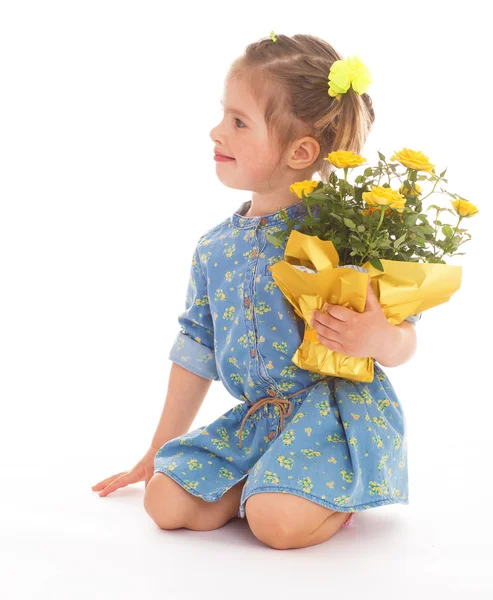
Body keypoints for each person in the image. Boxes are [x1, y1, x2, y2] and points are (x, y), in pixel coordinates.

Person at [92, 33, 422, 550]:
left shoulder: (341, 233)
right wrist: (155, 450)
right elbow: (195, 347)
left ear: (301, 151)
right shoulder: (214, 249)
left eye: (238, 122)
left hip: (332, 419)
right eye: (223, 115)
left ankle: (326, 496)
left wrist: (377, 338)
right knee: (164, 501)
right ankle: (268, 479)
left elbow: (404, 337)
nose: (215, 131)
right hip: (259, 420)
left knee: (275, 526)